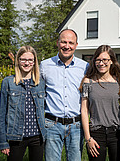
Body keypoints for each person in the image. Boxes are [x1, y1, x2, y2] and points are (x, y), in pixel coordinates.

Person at [40, 29, 88, 161]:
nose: (67, 46)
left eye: (71, 43)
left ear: (76, 45)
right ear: (57, 43)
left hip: (76, 126)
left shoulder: (85, 67)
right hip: (51, 125)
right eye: (64, 42)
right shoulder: (45, 66)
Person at [0, 46, 47, 161]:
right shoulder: (8, 82)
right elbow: (1, 114)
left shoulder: (40, 83)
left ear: (34, 62)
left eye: (30, 60)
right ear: (18, 61)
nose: (27, 63)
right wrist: (3, 142)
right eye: (23, 59)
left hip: (38, 136)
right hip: (16, 136)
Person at [80, 45, 120, 161]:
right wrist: (88, 138)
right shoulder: (88, 81)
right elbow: (84, 110)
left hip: (116, 134)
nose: (101, 63)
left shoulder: (119, 82)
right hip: (96, 134)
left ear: (111, 61)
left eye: (105, 60)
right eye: (98, 60)